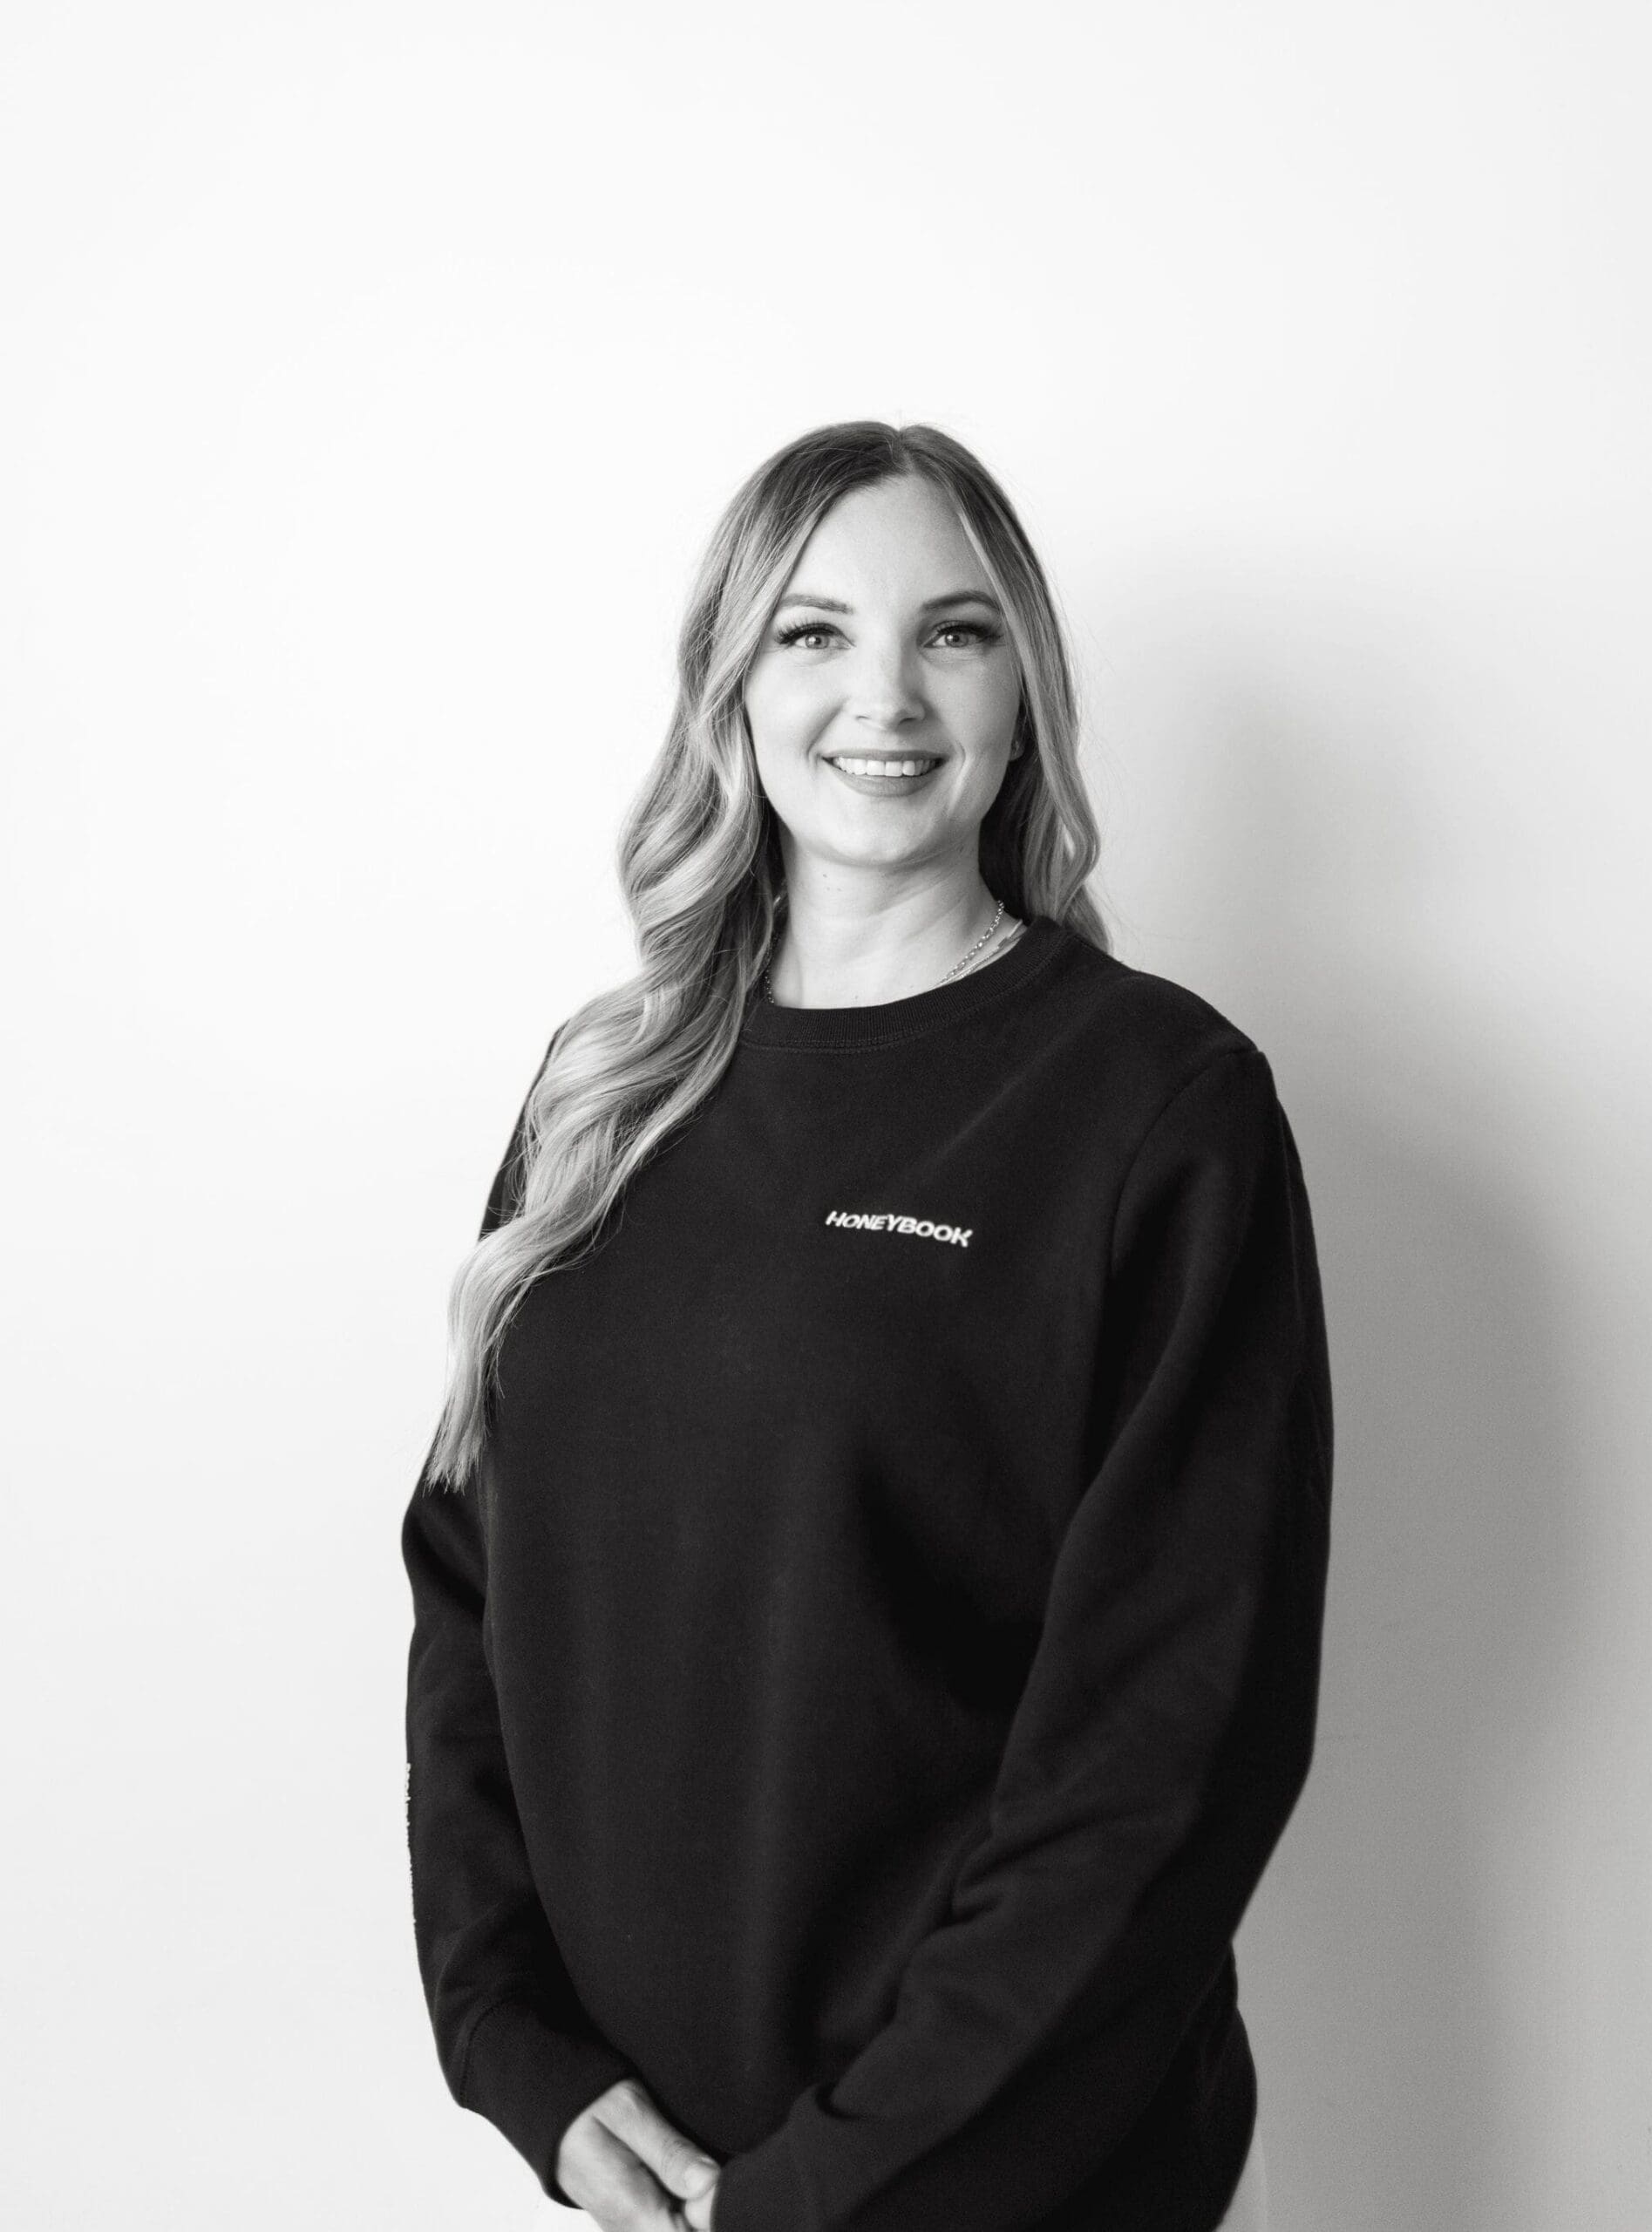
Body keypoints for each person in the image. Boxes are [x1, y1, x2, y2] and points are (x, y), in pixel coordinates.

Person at [400, 420, 1331, 2232]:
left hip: (996, 2183)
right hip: (660, 2171)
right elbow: (467, 1589)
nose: (883, 692)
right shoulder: (607, 1092)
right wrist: (518, 2044)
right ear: (732, 684)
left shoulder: (1154, 1109)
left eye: (954, 631)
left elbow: (1167, 1753)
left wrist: (834, 2183)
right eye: (814, 631)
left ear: (1025, 689)